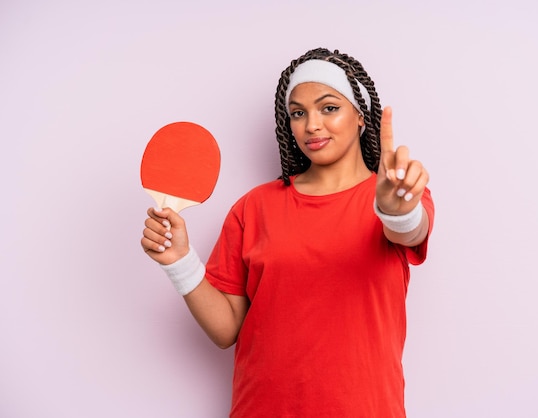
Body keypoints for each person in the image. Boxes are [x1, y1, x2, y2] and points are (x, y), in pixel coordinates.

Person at [141, 47, 435, 417]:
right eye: (298, 112)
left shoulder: (399, 197)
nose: (311, 124)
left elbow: (409, 231)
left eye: (329, 108)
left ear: (361, 116)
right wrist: (179, 261)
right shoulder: (254, 207)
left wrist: (398, 210)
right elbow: (225, 330)